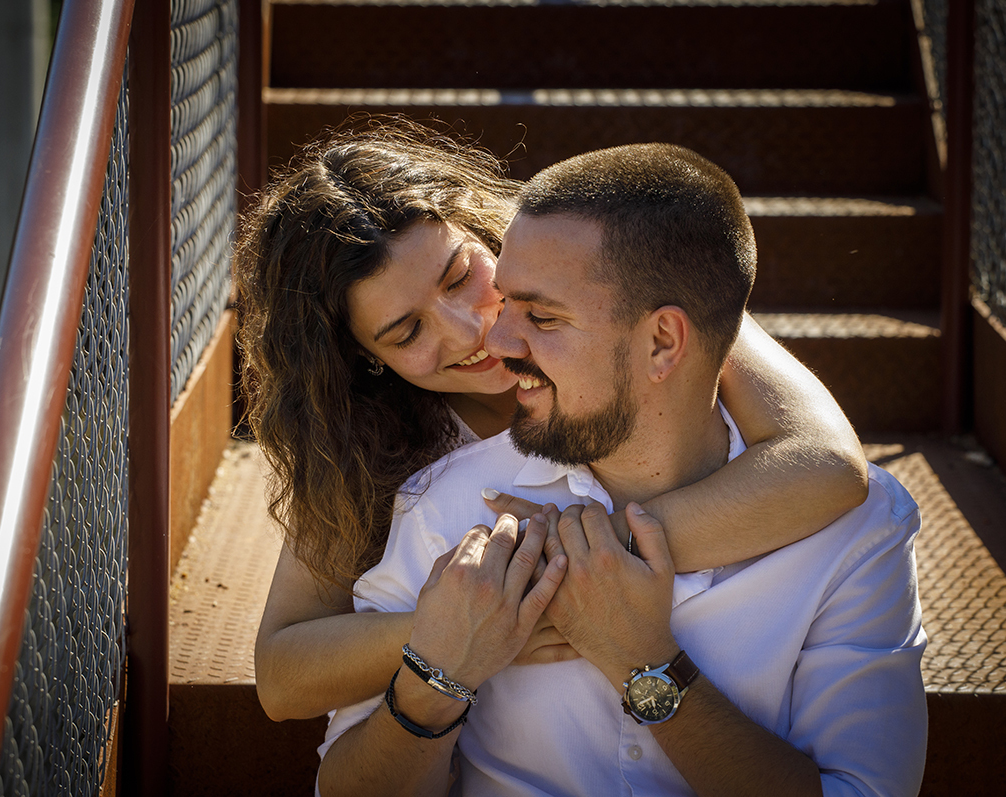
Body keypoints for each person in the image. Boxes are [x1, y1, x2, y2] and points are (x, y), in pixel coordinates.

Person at [316, 143, 928, 796]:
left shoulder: (853, 531)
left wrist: (648, 665)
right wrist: (434, 676)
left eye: (542, 316)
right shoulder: (446, 505)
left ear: (664, 341)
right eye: (511, 303)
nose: (491, 339)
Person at [236, 118, 870, 724]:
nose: (470, 330)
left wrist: (571, 561)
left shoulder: (603, 276)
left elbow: (828, 464)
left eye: (461, 276)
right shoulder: (357, 436)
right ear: (362, 359)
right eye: (406, 333)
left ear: (481, 227)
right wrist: (476, 621)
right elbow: (282, 675)